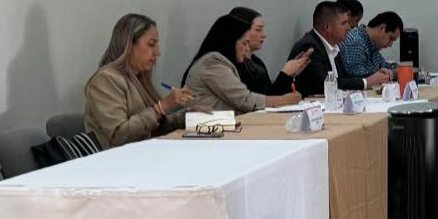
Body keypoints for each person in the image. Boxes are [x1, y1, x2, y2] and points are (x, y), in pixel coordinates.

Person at [84, 14, 195, 148]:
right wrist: (161, 107)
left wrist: (189, 115)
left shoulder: (138, 78)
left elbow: (154, 128)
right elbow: (119, 135)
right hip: (118, 159)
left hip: (145, 154)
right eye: (151, 44)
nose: (158, 52)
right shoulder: (105, 80)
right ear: (128, 45)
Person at [182, 14, 301, 114]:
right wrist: (284, 100)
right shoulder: (213, 63)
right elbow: (244, 100)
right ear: (230, 42)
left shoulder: (224, 62)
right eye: (244, 43)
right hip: (209, 130)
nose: (247, 49)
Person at [288, 1, 391, 96]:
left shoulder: (333, 46)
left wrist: (373, 76)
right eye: (344, 23)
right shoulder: (310, 46)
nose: (349, 27)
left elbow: (344, 78)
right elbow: (325, 84)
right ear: (327, 27)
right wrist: (366, 82)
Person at [228, 6, 312, 95]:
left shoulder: (257, 61)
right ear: (242, 31)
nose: (264, 35)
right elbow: (262, 100)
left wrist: (291, 74)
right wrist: (285, 73)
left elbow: (274, 95)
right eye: (258, 30)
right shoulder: (235, 66)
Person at [340, 10, 404, 78]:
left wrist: (402, 68)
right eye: (391, 38)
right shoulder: (355, 44)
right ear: (382, 28)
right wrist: (394, 74)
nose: (390, 44)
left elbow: (385, 65)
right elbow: (361, 78)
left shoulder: (372, 44)